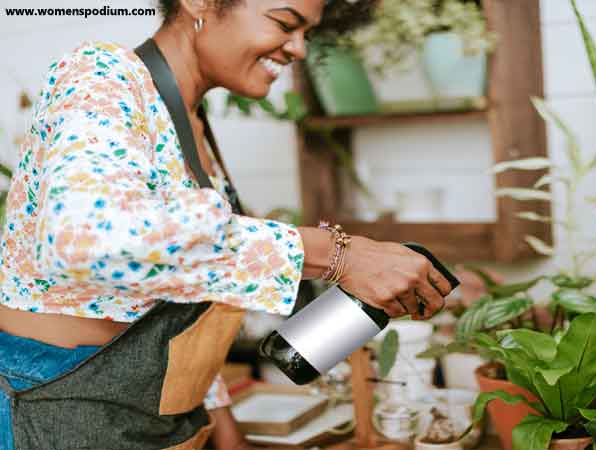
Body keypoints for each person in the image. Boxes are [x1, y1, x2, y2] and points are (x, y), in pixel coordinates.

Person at [0, 1, 454, 449]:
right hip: (59, 400)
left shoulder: (194, 124)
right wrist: (335, 254)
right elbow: (86, 236)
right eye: (285, 23)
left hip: (159, 415)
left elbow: (181, 293)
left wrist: (221, 419)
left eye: (308, 34)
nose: (298, 49)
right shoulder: (101, 74)